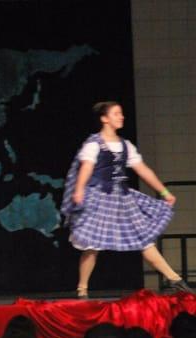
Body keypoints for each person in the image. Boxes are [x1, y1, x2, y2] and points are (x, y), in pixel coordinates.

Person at [61, 101, 194, 299]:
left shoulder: (126, 145)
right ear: (104, 118)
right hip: (99, 197)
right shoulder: (94, 144)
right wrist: (79, 189)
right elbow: (87, 167)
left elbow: (143, 170)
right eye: (116, 113)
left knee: (144, 240)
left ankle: (175, 280)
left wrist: (163, 191)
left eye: (121, 113)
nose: (121, 117)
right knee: (91, 245)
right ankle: (82, 289)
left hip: (122, 198)